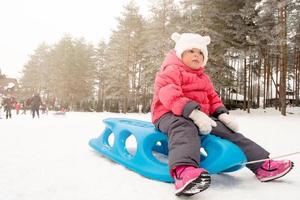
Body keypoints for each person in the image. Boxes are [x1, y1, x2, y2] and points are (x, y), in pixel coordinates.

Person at [151, 32, 294, 196]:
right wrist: (193, 113)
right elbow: (168, 94)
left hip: (201, 117)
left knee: (229, 133)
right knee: (184, 127)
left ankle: (262, 165)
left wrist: (221, 114)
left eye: (200, 53)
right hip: (168, 114)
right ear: (180, 52)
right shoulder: (171, 70)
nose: (196, 55)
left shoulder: (204, 78)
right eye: (191, 51)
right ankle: (184, 172)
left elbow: (213, 98)